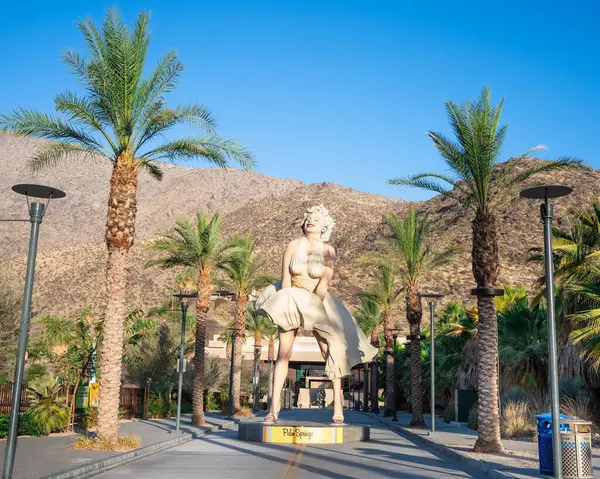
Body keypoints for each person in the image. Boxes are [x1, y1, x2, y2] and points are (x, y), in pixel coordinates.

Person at [255, 204, 378, 425]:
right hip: (292, 297)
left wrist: (312, 309)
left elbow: (323, 283)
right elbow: (285, 279)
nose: (311, 220)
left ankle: (338, 406)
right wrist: (284, 303)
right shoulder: (293, 245)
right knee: (283, 353)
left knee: (329, 350)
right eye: (308, 217)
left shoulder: (328, 251)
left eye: (316, 219)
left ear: (324, 227)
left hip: (318, 301)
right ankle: (274, 409)